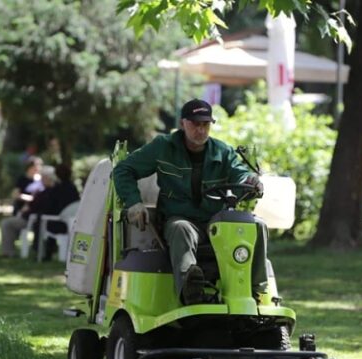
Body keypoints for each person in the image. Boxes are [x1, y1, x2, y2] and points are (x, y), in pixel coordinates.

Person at [113, 99, 264, 305]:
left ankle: (255, 291)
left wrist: (251, 181)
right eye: (195, 124)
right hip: (179, 219)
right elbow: (123, 169)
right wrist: (134, 202)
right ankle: (190, 290)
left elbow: (240, 174)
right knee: (181, 228)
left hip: (216, 223)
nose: (200, 130)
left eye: (205, 125)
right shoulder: (163, 147)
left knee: (257, 226)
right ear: (182, 123)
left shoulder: (223, 152)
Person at [0, 165, 56, 258]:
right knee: (9, 223)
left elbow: (35, 206)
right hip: (31, 218)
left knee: (6, 223)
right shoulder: (43, 190)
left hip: (33, 220)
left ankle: (8, 252)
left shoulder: (48, 192)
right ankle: (9, 251)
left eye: (43, 177)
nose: (42, 180)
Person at [34, 163, 80, 261]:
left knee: (41, 220)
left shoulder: (57, 189)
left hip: (59, 223)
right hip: (72, 223)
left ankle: (43, 252)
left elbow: (49, 208)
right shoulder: (73, 188)